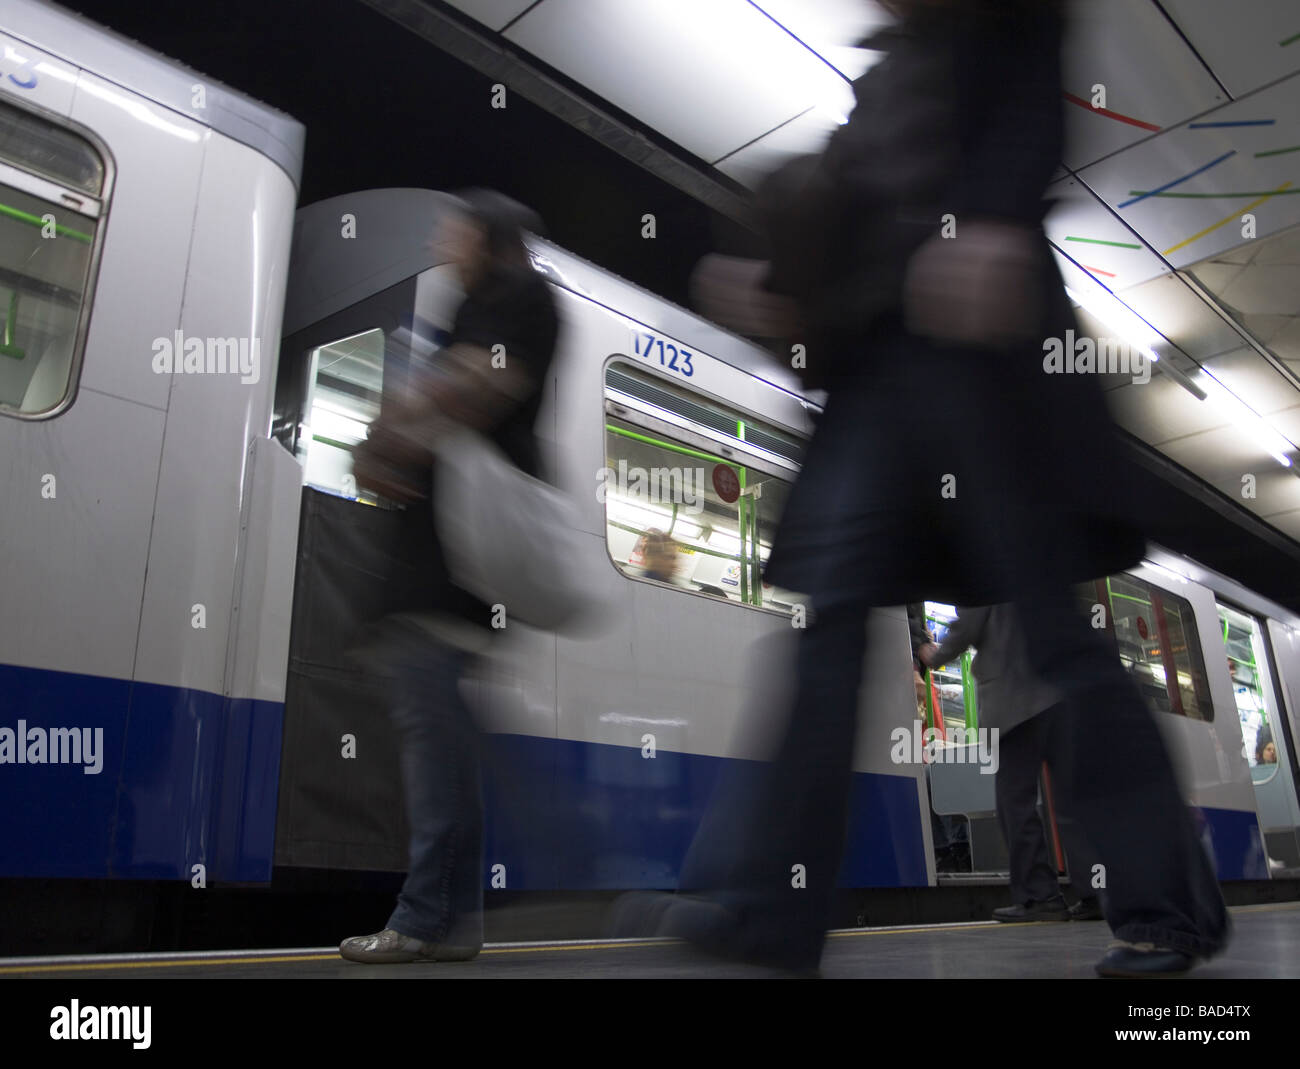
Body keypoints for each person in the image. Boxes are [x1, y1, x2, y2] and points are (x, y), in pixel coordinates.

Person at [616, 0, 1228, 977]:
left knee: (1058, 639)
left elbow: (1033, 116)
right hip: (874, 373)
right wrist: (773, 284)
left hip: (985, 360)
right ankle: (772, 909)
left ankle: (1162, 908)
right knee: (828, 627)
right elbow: (839, 217)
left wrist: (990, 221)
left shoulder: (1000, 21)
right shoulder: (882, 79)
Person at [339, 190, 559, 963]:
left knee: (437, 740)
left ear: (486, 237)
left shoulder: (520, 296)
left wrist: (390, 427)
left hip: (455, 565)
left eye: (454, 229)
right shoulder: (483, 305)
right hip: (446, 561)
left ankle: (428, 912)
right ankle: (453, 916)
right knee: (446, 739)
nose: (442, 241)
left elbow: (474, 385)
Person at [921, 605, 1103, 921]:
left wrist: (932, 654)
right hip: (1058, 694)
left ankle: (1040, 895)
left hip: (1016, 701)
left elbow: (969, 625)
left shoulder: (979, 565)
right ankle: (1097, 894)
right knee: (1070, 804)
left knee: (1014, 801)